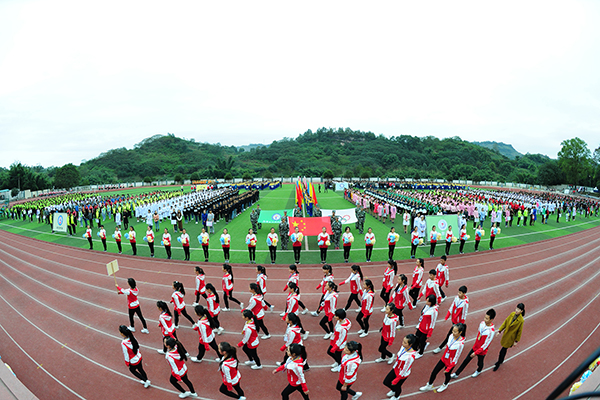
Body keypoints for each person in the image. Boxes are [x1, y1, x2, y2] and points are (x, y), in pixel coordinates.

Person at [419, 323, 465, 393]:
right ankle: (429, 385)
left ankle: (445, 384)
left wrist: (449, 367)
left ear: (460, 332)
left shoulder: (460, 344)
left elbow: (456, 357)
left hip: (450, 362)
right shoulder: (451, 336)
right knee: (434, 371)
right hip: (444, 358)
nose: (453, 332)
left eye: (455, 331)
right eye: (453, 330)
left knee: (447, 374)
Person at [452, 309, 496, 379]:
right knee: (466, 360)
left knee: (480, 362)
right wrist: (475, 348)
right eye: (485, 317)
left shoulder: (491, 332)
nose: (485, 319)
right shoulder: (482, 323)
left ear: (492, 319)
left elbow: (486, 345)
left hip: (482, 351)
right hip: (475, 347)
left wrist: (476, 353)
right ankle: (457, 373)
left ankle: (479, 370)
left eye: (487, 318)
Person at [434, 285, 469, 354]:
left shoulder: (465, 303)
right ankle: (463, 335)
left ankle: (440, 347)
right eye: (458, 292)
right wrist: (447, 317)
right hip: (453, 319)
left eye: (460, 293)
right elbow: (451, 306)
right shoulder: (456, 298)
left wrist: (461, 323)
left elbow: (464, 313)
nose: (459, 294)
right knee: (460, 331)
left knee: (449, 335)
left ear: (464, 294)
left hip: (458, 323)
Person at [383, 334, 418, 400]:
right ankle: (393, 390)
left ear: (410, 345)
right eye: (403, 341)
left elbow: (405, 369)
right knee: (386, 382)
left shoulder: (410, 357)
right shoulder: (403, 347)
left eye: (405, 342)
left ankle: (396, 396)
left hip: (402, 374)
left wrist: (397, 379)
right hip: (396, 368)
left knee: (397, 386)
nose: (402, 343)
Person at [493, 303, 525, 371]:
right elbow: (506, 322)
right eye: (517, 308)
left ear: (522, 311)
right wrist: (499, 330)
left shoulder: (521, 320)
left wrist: (516, 341)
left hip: (510, 338)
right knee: (504, 349)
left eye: (519, 309)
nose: (517, 310)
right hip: (506, 334)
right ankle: (501, 360)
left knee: (503, 350)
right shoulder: (512, 314)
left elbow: (519, 331)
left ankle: (498, 362)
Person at [415, 294, 439, 359]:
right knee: (416, 337)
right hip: (421, 325)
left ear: (431, 302)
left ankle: (421, 353)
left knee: (421, 341)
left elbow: (433, 322)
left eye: (428, 301)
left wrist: (429, 332)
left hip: (426, 328)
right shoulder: (427, 306)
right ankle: (417, 348)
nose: (426, 302)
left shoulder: (434, 311)